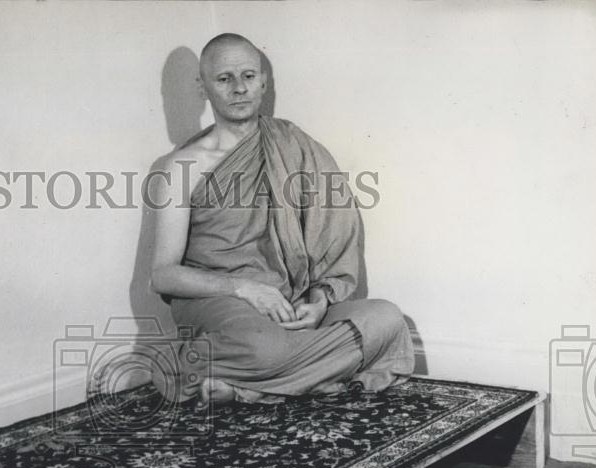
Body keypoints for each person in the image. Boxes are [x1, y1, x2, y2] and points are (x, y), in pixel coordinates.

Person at [147, 33, 415, 407]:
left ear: (264, 81)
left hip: (288, 301)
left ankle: (246, 388)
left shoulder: (292, 144)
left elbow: (332, 233)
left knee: (388, 319)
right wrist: (244, 288)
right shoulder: (181, 167)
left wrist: (320, 300)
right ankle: (195, 367)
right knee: (264, 349)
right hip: (220, 300)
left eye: (249, 76)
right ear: (203, 86)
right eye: (224, 79)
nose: (239, 88)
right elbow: (163, 274)